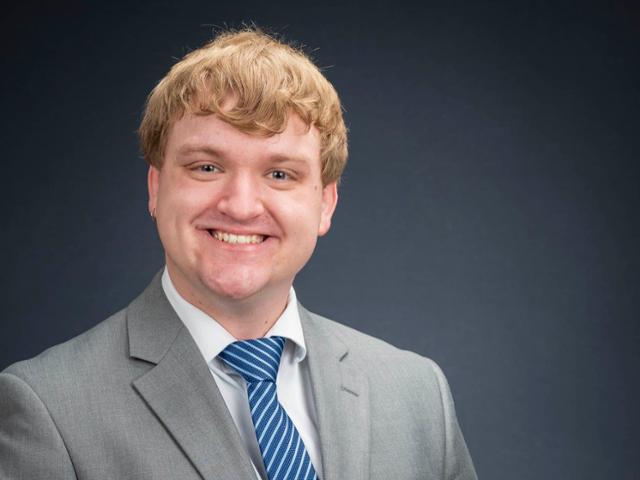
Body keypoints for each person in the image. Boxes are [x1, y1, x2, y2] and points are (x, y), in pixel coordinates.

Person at [0, 29, 477, 479]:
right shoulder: (47, 408)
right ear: (156, 187)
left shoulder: (416, 394)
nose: (241, 206)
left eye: (280, 174)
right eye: (207, 167)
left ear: (325, 203)